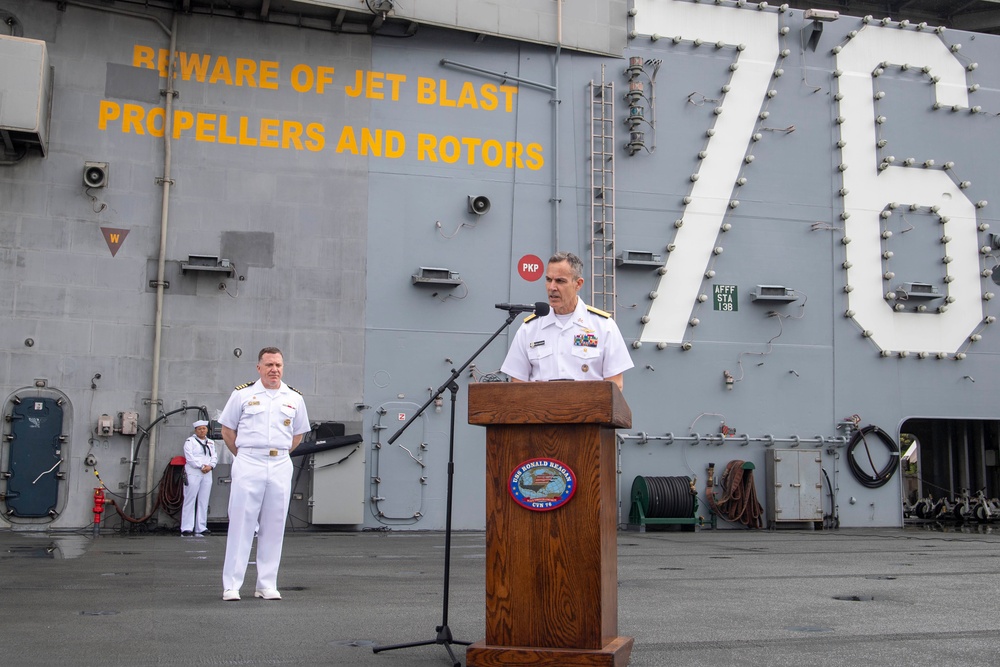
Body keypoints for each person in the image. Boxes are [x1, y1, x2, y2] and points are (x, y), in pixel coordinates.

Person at [218, 347, 310, 602]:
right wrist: (246, 455)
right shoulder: (242, 395)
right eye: (269, 365)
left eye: (279, 365)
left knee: (274, 524)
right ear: (259, 368)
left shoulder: (294, 398)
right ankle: (232, 585)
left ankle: (266, 584)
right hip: (248, 460)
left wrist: (277, 454)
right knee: (241, 523)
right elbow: (227, 430)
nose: (274, 370)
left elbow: (298, 434)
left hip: (280, 462)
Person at [501, 251, 634, 390]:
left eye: (560, 281)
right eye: (548, 280)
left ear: (578, 284)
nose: (552, 287)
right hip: (540, 411)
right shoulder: (529, 328)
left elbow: (615, 385)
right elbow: (517, 383)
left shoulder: (603, 326)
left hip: (589, 411)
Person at [180, 419, 218, 537]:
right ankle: (186, 527)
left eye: (204, 428)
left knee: (203, 500)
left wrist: (211, 466)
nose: (202, 431)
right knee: (190, 499)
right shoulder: (190, 442)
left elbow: (214, 456)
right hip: (194, 472)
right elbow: (189, 457)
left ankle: (201, 526)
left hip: (207, 472)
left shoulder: (210, 442)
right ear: (195, 430)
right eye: (200, 429)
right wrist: (201, 466)